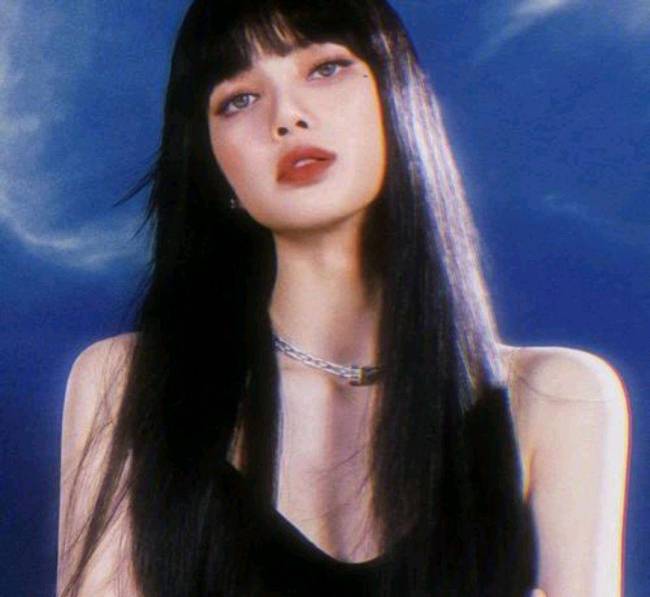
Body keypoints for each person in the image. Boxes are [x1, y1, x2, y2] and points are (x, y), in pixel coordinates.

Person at [57, 1, 630, 595]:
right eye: (239, 99)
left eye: (325, 68)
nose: (286, 117)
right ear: (214, 167)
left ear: (396, 99)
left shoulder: (556, 399)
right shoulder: (128, 385)